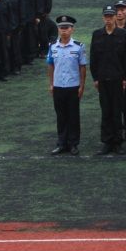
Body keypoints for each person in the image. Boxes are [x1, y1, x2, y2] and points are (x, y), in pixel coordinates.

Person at [90, 6, 126, 155]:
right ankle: (107, 142)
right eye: (106, 16)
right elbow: (93, 58)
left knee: (117, 111)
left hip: (118, 79)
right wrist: (95, 78)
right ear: (103, 18)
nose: (108, 18)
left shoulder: (123, 35)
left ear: (115, 17)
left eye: (111, 16)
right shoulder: (97, 34)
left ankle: (117, 142)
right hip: (102, 79)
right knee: (106, 111)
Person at [45, 14, 86, 155]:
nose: (64, 30)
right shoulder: (52, 47)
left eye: (66, 28)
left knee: (73, 116)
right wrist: (51, 84)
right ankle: (62, 143)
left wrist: (82, 86)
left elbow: (82, 67)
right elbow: (50, 66)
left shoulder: (78, 47)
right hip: (58, 86)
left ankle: (73, 144)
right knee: (61, 116)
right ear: (58, 30)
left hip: (73, 86)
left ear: (72, 29)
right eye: (61, 28)